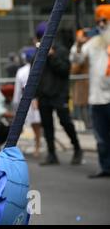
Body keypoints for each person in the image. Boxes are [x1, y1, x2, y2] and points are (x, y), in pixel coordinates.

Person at [35, 22, 83, 166]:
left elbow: (64, 70)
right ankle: (51, 154)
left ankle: (77, 148)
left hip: (59, 94)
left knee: (65, 121)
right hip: (44, 95)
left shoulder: (61, 50)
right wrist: (35, 96)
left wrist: (52, 56)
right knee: (47, 125)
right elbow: (35, 76)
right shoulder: (38, 52)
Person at [70, 4, 110, 178]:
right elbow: (77, 58)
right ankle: (105, 167)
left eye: (105, 20)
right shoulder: (93, 43)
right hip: (97, 98)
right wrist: (78, 45)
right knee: (101, 138)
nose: (101, 24)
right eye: (99, 21)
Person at [13, 46, 42, 157]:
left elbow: (17, 91)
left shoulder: (23, 70)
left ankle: (37, 145)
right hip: (31, 99)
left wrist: (16, 103)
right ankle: (36, 145)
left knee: (35, 123)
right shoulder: (24, 70)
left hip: (33, 99)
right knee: (34, 124)